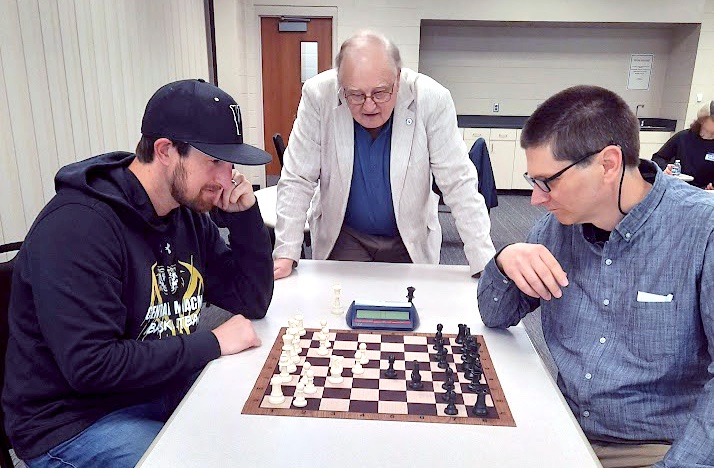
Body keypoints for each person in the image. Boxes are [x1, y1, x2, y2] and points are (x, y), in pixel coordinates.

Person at [3, 79, 275, 466]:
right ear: (165, 150)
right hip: (74, 423)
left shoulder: (187, 213)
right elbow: (92, 366)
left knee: (258, 431)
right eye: (214, 161)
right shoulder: (78, 227)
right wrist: (211, 343)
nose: (226, 177)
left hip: (155, 389)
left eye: (230, 163)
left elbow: (251, 301)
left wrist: (246, 218)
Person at [477, 85, 714, 467]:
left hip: (659, 448)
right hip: (561, 428)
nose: (536, 199)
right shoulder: (552, 230)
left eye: (547, 181)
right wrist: (504, 260)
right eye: (532, 180)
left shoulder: (703, 230)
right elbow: (495, 315)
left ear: (608, 164)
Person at [273, 30, 495, 279]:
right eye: (355, 95)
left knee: (411, 309)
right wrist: (286, 251)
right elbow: (297, 178)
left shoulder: (432, 99)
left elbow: (458, 183)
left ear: (398, 79)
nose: (369, 106)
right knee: (338, 306)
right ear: (341, 86)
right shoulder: (319, 95)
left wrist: (483, 260)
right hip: (345, 234)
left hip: (407, 235)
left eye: (380, 93)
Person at [652, 100, 714, 189]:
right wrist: (666, 168)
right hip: (677, 189)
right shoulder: (683, 137)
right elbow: (657, 158)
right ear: (703, 119)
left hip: (703, 194)